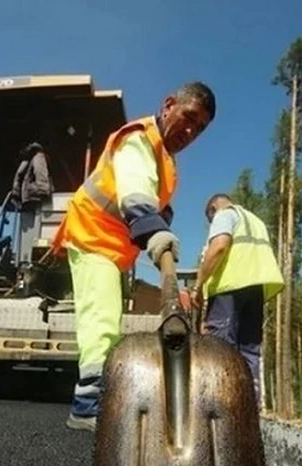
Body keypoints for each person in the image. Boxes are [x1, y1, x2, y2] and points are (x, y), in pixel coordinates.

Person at [50, 81, 217, 431]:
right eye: (188, 118)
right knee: (103, 318)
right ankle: (87, 406)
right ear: (169, 104)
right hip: (91, 232)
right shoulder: (139, 139)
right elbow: (135, 188)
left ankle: (102, 399)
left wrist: (162, 225)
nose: (191, 131)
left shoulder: (166, 163)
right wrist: (152, 228)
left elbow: (155, 202)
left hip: (114, 247)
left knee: (109, 318)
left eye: (200, 129)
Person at [188, 193, 284, 404]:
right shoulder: (256, 221)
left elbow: (220, 245)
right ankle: (248, 408)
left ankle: (220, 404)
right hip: (255, 289)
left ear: (213, 209)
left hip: (229, 287)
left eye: (209, 220)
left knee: (220, 348)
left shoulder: (224, 214)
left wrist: (198, 285)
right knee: (249, 350)